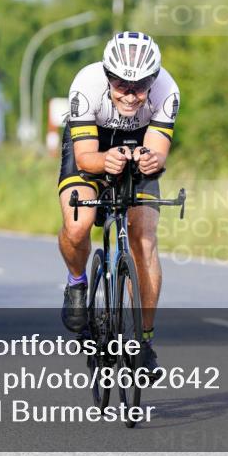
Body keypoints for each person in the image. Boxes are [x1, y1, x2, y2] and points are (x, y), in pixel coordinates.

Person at [57, 31, 179, 374]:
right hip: (92, 144)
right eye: (121, 85)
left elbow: (158, 150)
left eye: (140, 86)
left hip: (138, 146)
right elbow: (84, 158)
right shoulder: (86, 83)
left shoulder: (167, 90)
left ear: (152, 80)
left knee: (143, 239)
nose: (130, 95)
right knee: (78, 223)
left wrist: (152, 161)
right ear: (108, 76)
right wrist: (105, 160)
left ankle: (144, 341)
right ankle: (76, 282)